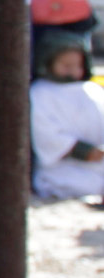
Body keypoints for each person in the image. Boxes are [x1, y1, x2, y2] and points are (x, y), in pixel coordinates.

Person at [34, 30, 104, 202]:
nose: (73, 71)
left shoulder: (92, 90)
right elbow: (45, 134)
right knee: (93, 186)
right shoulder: (39, 93)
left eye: (77, 65)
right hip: (61, 168)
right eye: (66, 65)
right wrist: (83, 151)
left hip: (98, 163)